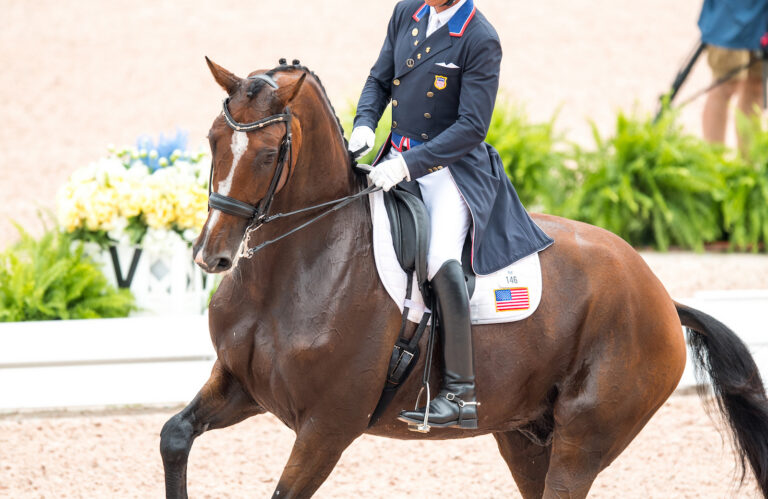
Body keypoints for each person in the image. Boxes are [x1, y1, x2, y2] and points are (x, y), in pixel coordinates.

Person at [348, 0, 553, 430]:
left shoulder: (480, 37)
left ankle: (460, 392)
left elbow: (471, 128)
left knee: (440, 256)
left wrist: (408, 165)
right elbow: (379, 78)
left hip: (450, 171)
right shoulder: (408, 12)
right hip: (395, 158)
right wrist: (365, 123)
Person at [698, 0, 768, 152]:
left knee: (757, 83)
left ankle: (748, 165)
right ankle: (713, 163)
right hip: (731, 7)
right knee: (725, 83)